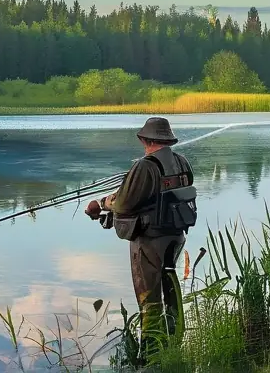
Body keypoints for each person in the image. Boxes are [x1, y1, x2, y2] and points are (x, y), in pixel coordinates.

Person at [85, 117, 198, 364]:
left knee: (149, 299)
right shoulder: (182, 161)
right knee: (170, 288)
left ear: (145, 140)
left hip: (149, 240)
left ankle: (149, 355)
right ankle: (173, 343)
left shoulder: (145, 166)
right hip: (176, 236)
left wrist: (102, 203)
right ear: (168, 140)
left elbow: (124, 203)